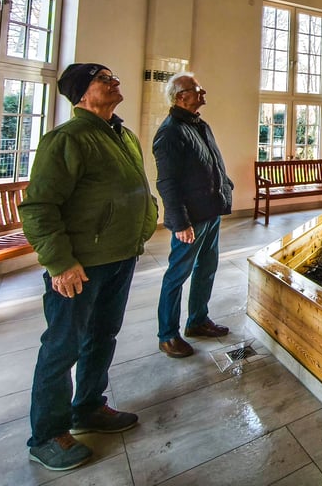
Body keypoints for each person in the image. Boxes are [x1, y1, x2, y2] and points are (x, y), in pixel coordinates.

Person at [20, 63, 159, 471]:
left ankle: (89, 407)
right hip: (81, 265)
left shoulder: (122, 135)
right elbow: (39, 207)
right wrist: (60, 263)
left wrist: (145, 220)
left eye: (114, 77)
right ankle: (48, 434)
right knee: (63, 345)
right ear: (82, 93)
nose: (115, 82)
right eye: (103, 79)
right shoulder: (68, 138)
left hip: (120, 256)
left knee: (102, 335)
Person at [153, 72, 234, 359]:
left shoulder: (199, 125)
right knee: (177, 274)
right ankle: (167, 335)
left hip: (210, 211)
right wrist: (180, 222)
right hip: (191, 218)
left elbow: (212, 162)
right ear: (181, 96)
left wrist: (225, 186)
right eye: (197, 89)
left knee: (206, 268)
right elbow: (167, 182)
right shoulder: (170, 132)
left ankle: (198, 320)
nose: (203, 92)